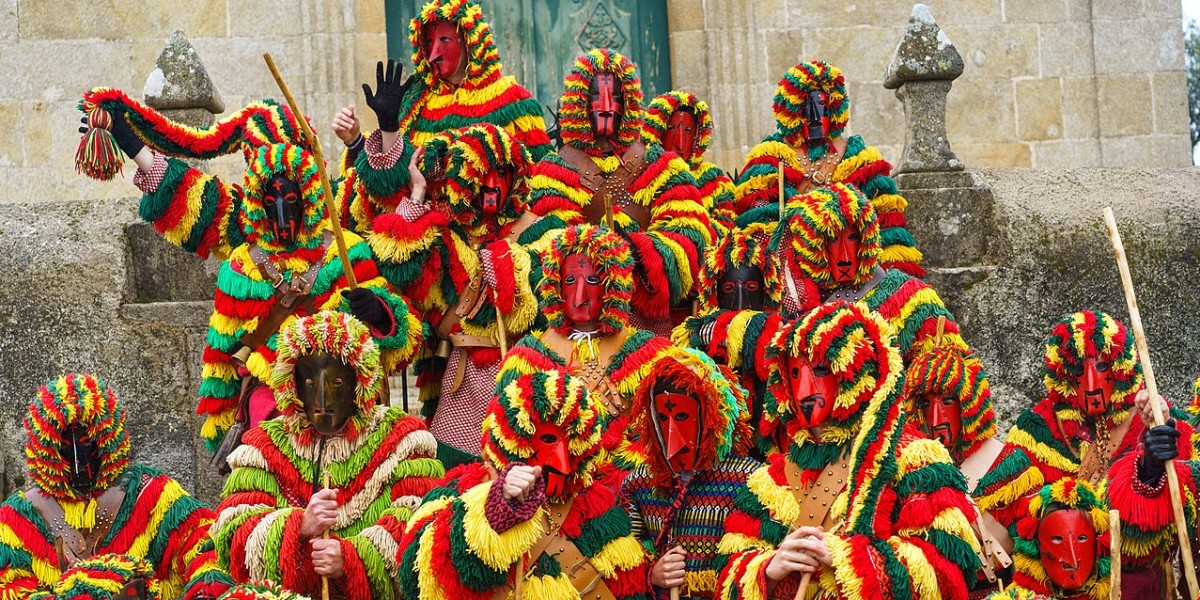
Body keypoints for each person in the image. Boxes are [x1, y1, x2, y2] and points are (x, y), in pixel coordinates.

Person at [74, 90, 424, 453]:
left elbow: (400, 328)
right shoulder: (241, 259)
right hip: (269, 398)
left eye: (291, 202)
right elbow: (183, 190)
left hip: (344, 400)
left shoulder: (344, 245)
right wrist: (129, 140)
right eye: (271, 203)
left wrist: (380, 314)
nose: (283, 217)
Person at [715, 302, 980, 599]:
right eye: (794, 373)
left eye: (819, 370)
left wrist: (846, 558)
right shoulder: (771, 480)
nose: (805, 388)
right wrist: (768, 570)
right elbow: (728, 572)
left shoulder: (915, 458)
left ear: (854, 371)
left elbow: (948, 566)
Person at [211, 311, 444, 599]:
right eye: (310, 385)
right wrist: (299, 526)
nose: (322, 402)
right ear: (293, 386)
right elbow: (233, 530)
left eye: (335, 384)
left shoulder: (402, 440)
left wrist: (351, 559)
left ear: (358, 384)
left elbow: (421, 520)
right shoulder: (264, 447)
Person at [973, 310, 1197, 597]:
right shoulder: (1040, 428)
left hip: (1130, 588)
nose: (1091, 383)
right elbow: (993, 531)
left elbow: (1176, 518)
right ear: (1064, 374)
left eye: (1102, 367)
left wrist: (1154, 457)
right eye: (1079, 371)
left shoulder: (1155, 419)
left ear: (1119, 368)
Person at [367, 122, 539, 466]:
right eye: (482, 173)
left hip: (522, 373)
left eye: (501, 174)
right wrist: (417, 194)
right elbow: (397, 265)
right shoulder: (447, 232)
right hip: (461, 377)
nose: (492, 184)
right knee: (452, 475)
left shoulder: (539, 229)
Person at [397, 370, 651, 599]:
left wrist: (653, 579)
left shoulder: (595, 505)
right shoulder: (463, 490)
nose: (562, 465)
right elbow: (415, 576)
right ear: (516, 438)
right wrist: (492, 510)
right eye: (549, 440)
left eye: (570, 442)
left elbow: (628, 585)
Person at [519, 49, 714, 336]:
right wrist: (595, 260)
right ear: (580, 102)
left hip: (646, 321)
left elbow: (689, 233)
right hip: (577, 323)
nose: (608, 106)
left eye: (617, 98)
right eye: (598, 97)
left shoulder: (663, 167)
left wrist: (636, 250)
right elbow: (544, 240)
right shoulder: (552, 171)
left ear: (630, 103)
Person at [0, 374, 231, 600]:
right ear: (46, 449)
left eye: (87, 442)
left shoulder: (152, 493)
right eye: (64, 445)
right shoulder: (17, 518)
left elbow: (205, 543)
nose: (79, 463)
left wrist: (206, 589)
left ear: (107, 438)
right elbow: (8, 587)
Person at [494, 223, 672, 478]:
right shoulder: (527, 360)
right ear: (554, 285)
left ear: (613, 286)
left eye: (592, 280)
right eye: (569, 281)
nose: (580, 295)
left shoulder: (647, 354)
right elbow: (506, 440)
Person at [733, 60, 923, 278]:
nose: (815, 116)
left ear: (834, 107)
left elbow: (886, 227)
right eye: (806, 109)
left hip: (854, 272)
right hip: (791, 275)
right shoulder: (768, 159)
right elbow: (757, 228)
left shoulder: (860, 159)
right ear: (793, 110)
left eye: (822, 107)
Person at [776, 184, 974, 365]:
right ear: (810, 245)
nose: (844, 256)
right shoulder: (792, 305)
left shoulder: (912, 298)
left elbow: (952, 375)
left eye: (853, 237)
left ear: (867, 238)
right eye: (832, 239)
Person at [620, 346, 758, 599]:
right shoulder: (639, 483)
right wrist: (651, 574)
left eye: (683, 416)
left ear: (711, 416)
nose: (674, 441)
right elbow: (622, 557)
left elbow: (757, 558)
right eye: (662, 419)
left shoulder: (749, 480)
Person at [900, 341, 1010, 596]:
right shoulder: (909, 467)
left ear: (970, 404)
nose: (936, 419)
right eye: (926, 405)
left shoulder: (1008, 463)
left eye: (948, 401)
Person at [985, 479, 1113, 600]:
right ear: (1036, 547)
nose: (1072, 561)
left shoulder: (1117, 591)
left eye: (1082, 538)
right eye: (1057, 539)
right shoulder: (1019, 596)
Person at [641, 91, 737, 235]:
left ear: (697, 137)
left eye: (688, 130)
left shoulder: (715, 185)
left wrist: (694, 228)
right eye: (671, 129)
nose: (679, 143)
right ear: (657, 133)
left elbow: (727, 229)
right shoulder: (641, 179)